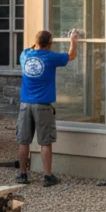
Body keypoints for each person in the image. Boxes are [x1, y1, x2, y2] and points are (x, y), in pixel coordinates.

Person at [15, 29, 78, 187]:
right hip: (42, 106)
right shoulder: (50, 57)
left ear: (36, 42)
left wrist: (35, 45)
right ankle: (47, 176)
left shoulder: (25, 55)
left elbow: (30, 48)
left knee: (24, 141)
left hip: (25, 105)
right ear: (49, 45)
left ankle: (22, 174)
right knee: (45, 142)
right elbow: (71, 56)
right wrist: (73, 41)